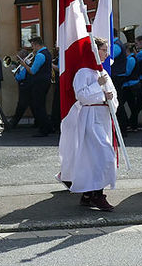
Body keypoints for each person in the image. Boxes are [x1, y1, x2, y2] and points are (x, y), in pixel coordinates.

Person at [65, 37, 118, 212]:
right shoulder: (83, 72)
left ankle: (88, 194)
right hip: (90, 116)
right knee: (103, 155)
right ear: (94, 51)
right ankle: (97, 194)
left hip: (103, 115)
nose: (106, 53)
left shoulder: (102, 72)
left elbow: (112, 93)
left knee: (94, 157)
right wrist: (98, 86)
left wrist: (111, 100)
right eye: (103, 49)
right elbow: (81, 96)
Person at [25, 36, 53, 136]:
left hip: (40, 82)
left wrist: (24, 64)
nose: (32, 48)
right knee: (40, 105)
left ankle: (44, 129)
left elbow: (32, 71)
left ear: (37, 44)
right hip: (44, 81)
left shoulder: (40, 55)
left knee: (39, 106)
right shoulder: (47, 53)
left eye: (33, 46)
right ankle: (48, 127)